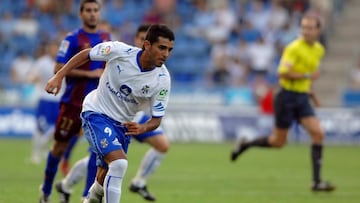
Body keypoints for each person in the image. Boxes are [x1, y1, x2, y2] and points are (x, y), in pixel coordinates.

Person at [45, 24, 175, 203]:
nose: (166, 54)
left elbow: (156, 119)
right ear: (147, 44)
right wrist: (59, 76)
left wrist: (142, 127)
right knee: (120, 163)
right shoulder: (119, 51)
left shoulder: (163, 79)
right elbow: (86, 54)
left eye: (169, 49)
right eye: (162, 48)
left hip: (122, 126)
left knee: (102, 178)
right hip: (96, 113)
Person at [230, 14, 335, 192]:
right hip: (286, 96)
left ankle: (316, 182)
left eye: (310, 28)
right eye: (303, 28)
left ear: (318, 30)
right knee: (278, 142)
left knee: (318, 134)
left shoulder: (319, 50)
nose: (306, 32)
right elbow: (283, 73)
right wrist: (307, 76)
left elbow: (307, 76)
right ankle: (245, 145)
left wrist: (313, 95)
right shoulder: (293, 48)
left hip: (302, 97)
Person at [39, 0, 111, 202]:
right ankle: (45, 191)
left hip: (97, 105)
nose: (92, 14)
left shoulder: (106, 37)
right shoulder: (71, 39)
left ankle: (86, 196)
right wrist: (91, 74)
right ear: (81, 14)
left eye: (95, 10)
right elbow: (57, 68)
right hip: (72, 103)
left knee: (97, 152)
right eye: (88, 10)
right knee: (59, 148)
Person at [28, 41, 64, 164]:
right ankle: (36, 153)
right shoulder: (42, 62)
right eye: (52, 48)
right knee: (40, 127)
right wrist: (33, 79)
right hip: (45, 99)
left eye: (56, 48)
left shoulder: (65, 62)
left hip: (59, 99)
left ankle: (45, 147)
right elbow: (31, 77)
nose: (54, 51)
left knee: (57, 128)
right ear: (49, 49)